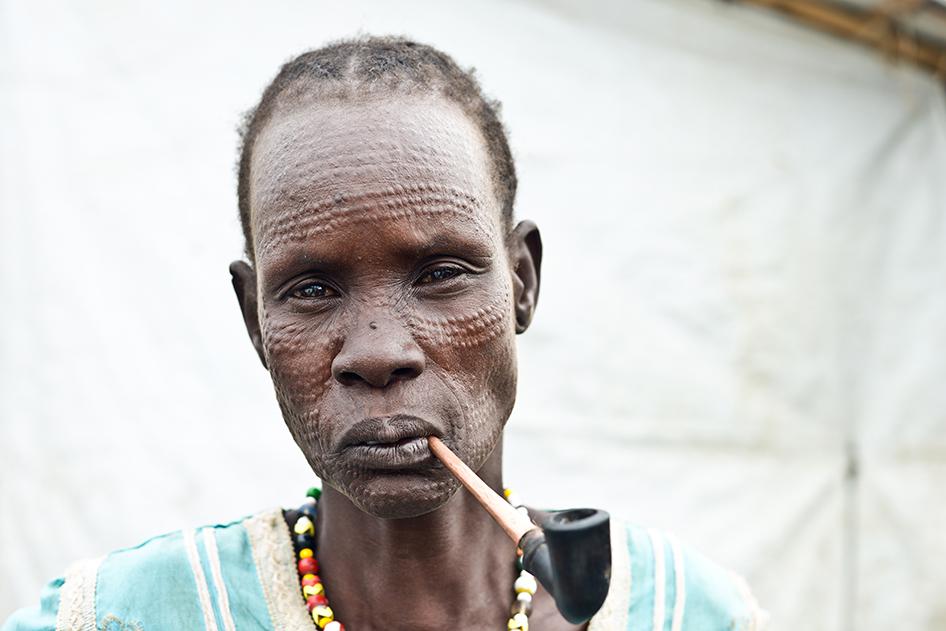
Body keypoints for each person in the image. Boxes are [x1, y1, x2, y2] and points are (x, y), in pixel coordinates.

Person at [3, 36, 767, 631]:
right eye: (310, 289)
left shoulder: (686, 611)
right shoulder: (125, 615)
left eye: (439, 273)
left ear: (522, 282)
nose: (376, 352)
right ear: (254, 323)